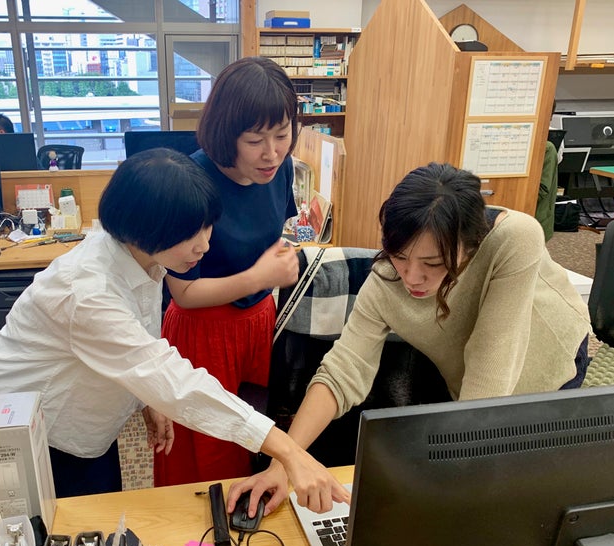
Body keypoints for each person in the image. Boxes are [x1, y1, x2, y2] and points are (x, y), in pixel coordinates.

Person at [0, 148, 349, 511]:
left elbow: (138, 341)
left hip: (84, 422)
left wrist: (146, 399)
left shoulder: (143, 257)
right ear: (146, 229)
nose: (205, 245)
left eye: (207, 228)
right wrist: (289, 451)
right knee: (57, 530)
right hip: (33, 428)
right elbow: (173, 381)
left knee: (100, 510)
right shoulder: (86, 292)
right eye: (191, 234)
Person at [228, 161, 592, 516]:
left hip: (549, 359)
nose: (412, 277)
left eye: (432, 263)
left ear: (470, 244)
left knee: (525, 488)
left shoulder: (514, 239)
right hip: (472, 384)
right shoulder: (386, 280)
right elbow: (342, 371)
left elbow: (489, 377)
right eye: (400, 256)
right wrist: (284, 464)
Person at [153, 57, 301, 487]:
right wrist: (260, 277)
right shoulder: (192, 181)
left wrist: (277, 266)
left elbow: (272, 237)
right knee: (207, 452)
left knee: (254, 442)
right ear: (226, 134)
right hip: (203, 330)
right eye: (255, 140)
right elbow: (183, 292)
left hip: (258, 323)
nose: (272, 152)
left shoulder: (279, 169)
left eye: (282, 134)